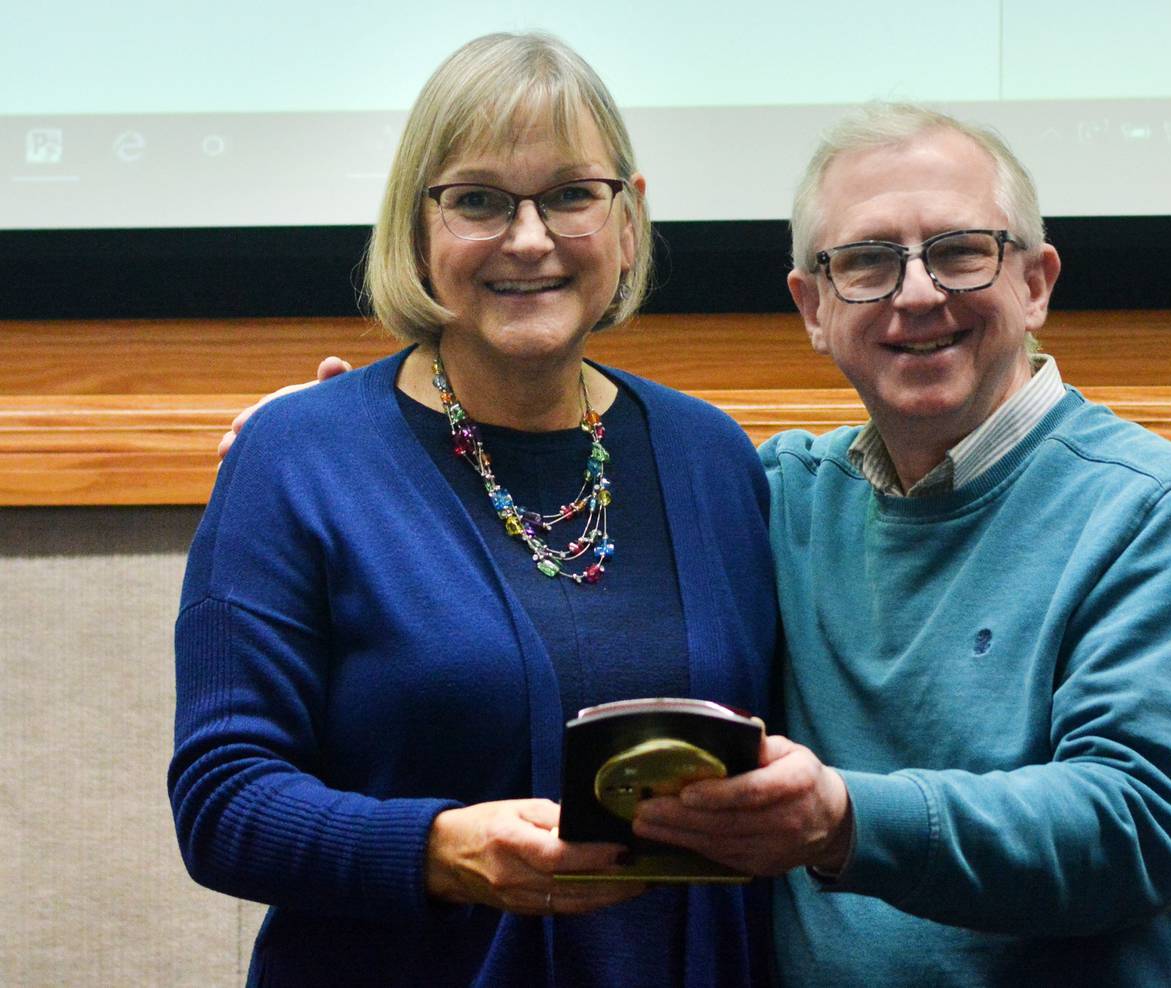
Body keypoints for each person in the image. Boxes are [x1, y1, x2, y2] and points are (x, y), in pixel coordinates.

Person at [225, 105, 1171, 986]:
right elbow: (552, 465)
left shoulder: (1155, 513)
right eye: (865, 262)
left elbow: (1144, 822)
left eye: (960, 251)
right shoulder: (771, 492)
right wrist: (340, 437)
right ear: (811, 308)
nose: (914, 295)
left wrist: (846, 819)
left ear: (1036, 281)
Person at [169, 32, 776, 987]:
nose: (529, 240)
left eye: (572, 195)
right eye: (479, 200)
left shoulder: (713, 458)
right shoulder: (296, 456)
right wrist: (439, 851)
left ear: (628, 219)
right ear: (417, 227)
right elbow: (222, 802)